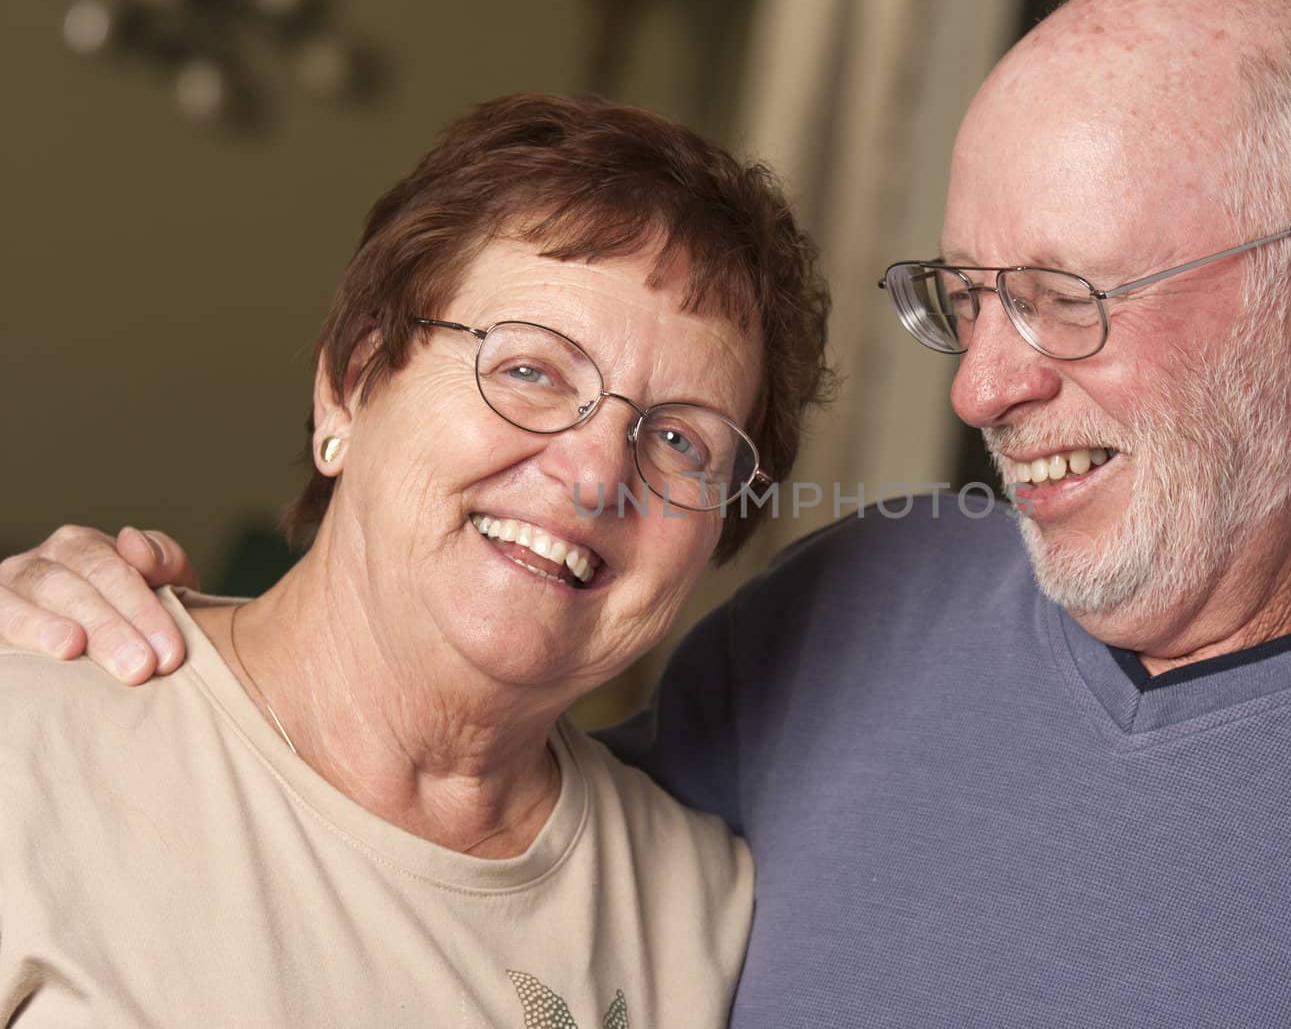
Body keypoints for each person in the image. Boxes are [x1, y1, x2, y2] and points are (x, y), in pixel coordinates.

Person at [6, 0, 1291, 1026]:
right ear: (349, 378)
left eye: (1065, 294)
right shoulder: (863, 606)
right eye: (967, 298)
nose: (979, 390)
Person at [0, 92, 834, 1025]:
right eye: (530, 370)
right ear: (349, 387)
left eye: (681, 440)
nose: (597, 472)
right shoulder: (28, 743)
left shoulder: (704, 911)